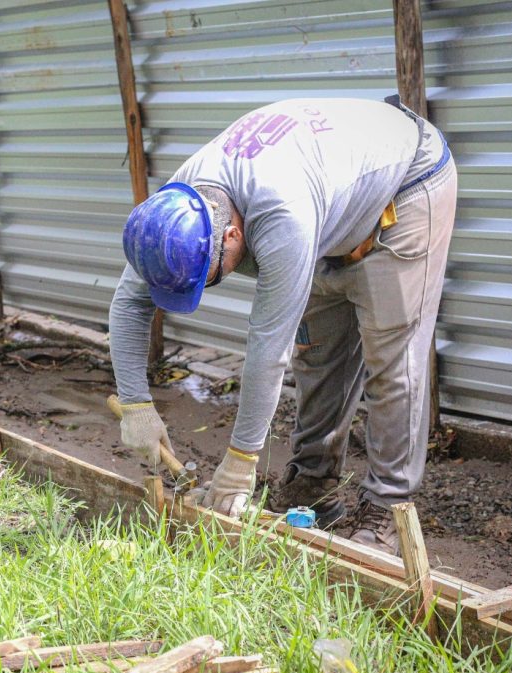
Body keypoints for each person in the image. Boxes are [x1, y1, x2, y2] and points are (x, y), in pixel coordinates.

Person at [108, 95, 458, 555]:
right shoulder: (174, 215)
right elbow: (128, 303)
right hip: (329, 193)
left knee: (393, 362)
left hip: (406, 185)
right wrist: (135, 404)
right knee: (319, 351)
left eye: (209, 279)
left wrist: (240, 462)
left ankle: (388, 509)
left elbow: (268, 349)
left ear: (232, 236)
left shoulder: (282, 217)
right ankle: (313, 484)